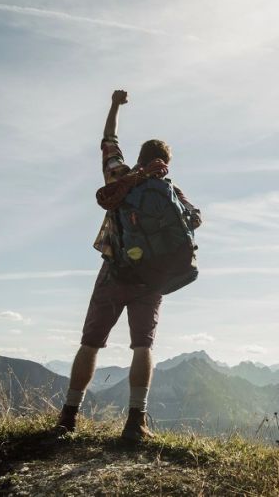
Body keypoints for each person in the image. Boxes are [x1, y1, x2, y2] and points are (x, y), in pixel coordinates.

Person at [56, 89, 202, 441]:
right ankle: (136, 421)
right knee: (142, 346)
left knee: (90, 343)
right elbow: (195, 221)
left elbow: (108, 140)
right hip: (151, 280)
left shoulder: (121, 176)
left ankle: (68, 417)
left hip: (114, 271)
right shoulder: (170, 190)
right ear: (166, 161)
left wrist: (114, 105)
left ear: (140, 157)